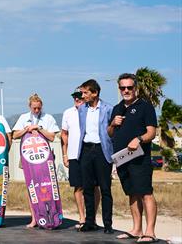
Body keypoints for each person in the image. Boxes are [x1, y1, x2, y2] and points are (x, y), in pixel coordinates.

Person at [108, 73, 158, 243]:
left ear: (135, 88)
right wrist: (112, 124)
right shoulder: (117, 108)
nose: (126, 90)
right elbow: (110, 133)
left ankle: (150, 232)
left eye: (129, 87)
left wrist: (139, 139)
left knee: (145, 193)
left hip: (139, 159)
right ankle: (137, 229)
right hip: (122, 159)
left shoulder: (145, 107)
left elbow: (151, 132)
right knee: (132, 194)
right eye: (123, 88)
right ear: (119, 89)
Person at [12, 93, 60, 228]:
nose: (37, 110)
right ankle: (35, 217)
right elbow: (15, 135)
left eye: (39, 108)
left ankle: (50, 215)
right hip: (28, 157)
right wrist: (27, 129)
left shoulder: (48, 118)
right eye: (34, 108)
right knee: (32, 187)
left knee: (47, 186)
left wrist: (39, 128)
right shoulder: (23, 118)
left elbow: (52, 137)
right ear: (29, 107)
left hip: (44, 158)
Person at [77, 79, 115, 234]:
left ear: (95, 93)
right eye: (82, 92)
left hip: (102, 150)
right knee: (87, 188)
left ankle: (108, 224)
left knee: (105, 188)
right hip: (86, 149)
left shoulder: (108, 109)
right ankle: (89, 222)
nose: (83, 96)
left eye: (85, 92)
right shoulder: (82, 109)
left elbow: (112, 131)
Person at [62, 88, 100, 228]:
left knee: (94, 186)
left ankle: (92, 218)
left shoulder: (91, 111)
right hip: (74, 155)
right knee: (78, 187)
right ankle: (82, 217)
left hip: (90, 153)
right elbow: (64, 134)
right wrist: (65, 154)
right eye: (75, 96)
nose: (77, 99)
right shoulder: (68, 113)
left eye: (80, 96)